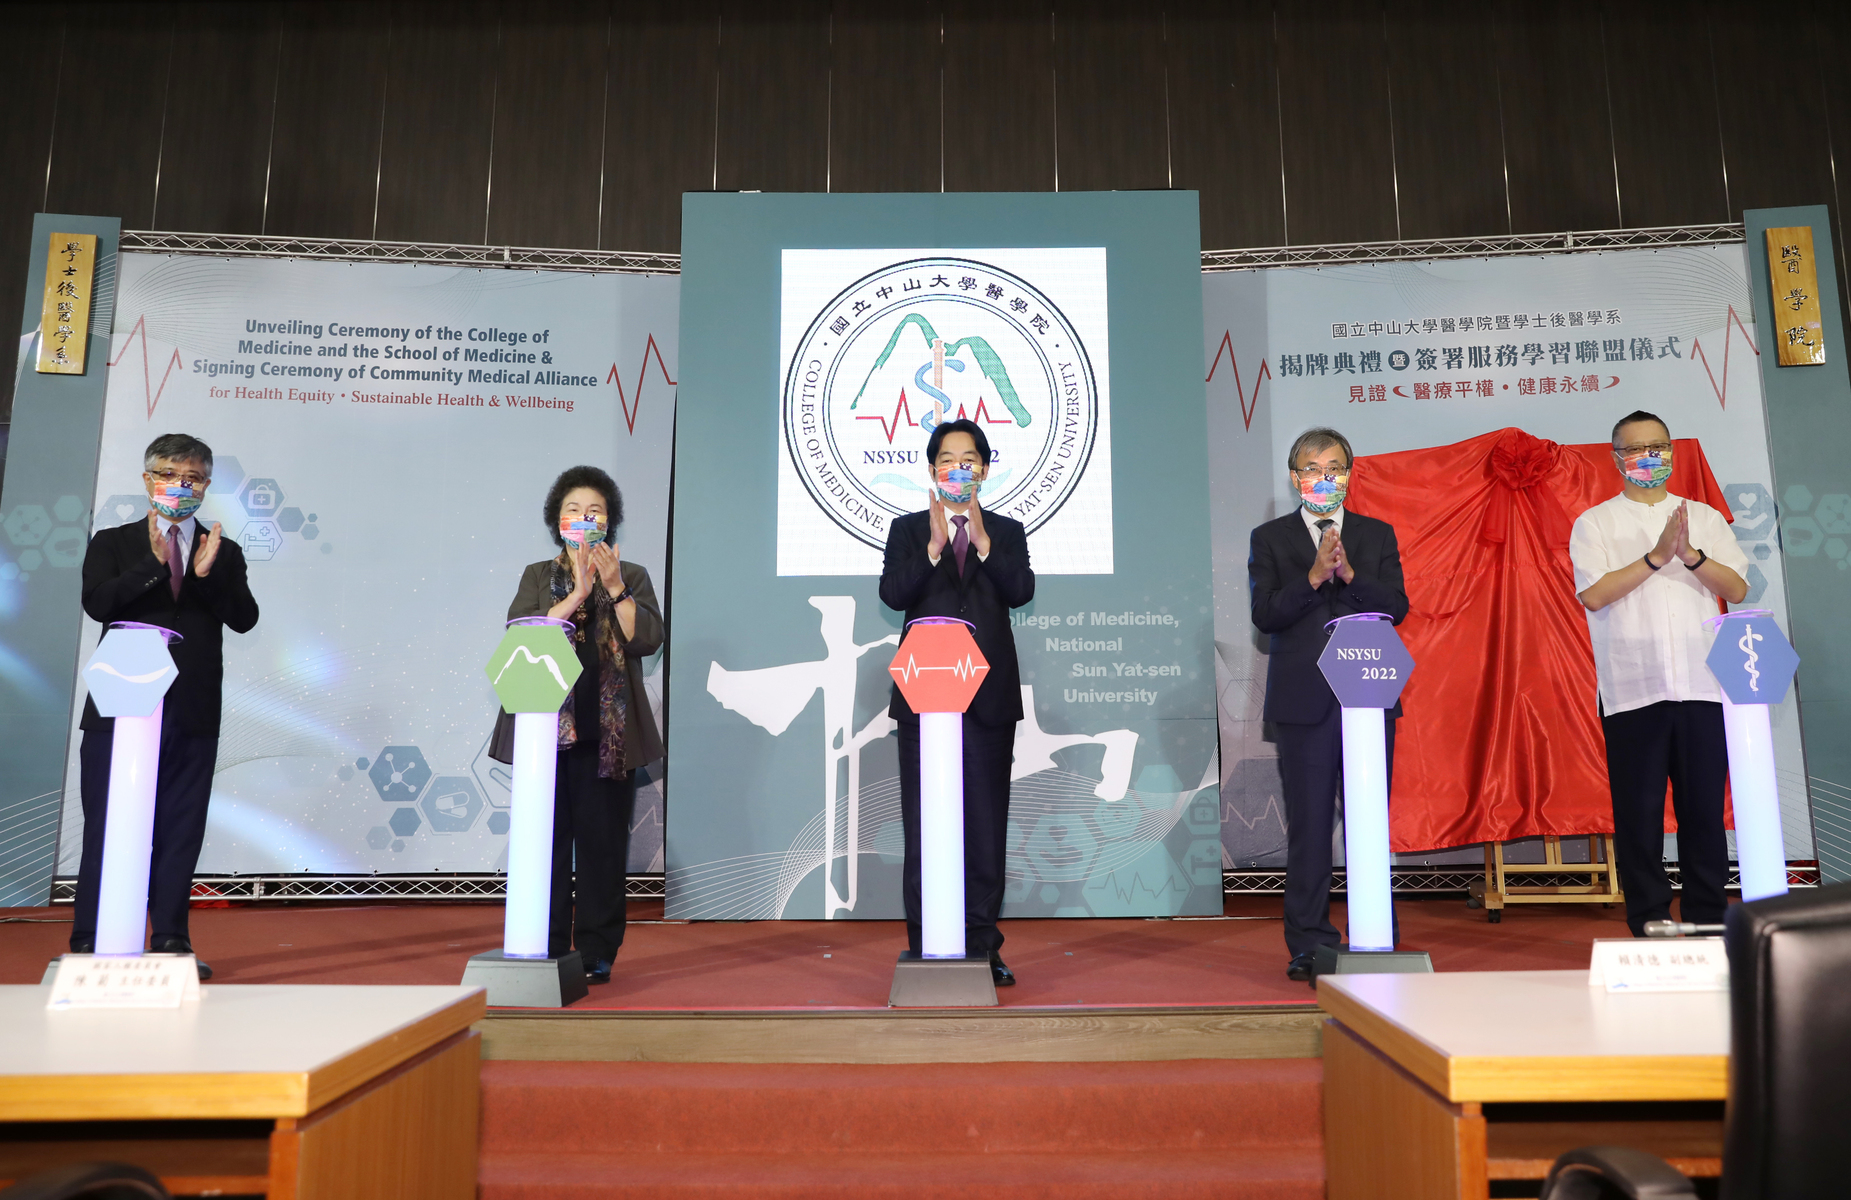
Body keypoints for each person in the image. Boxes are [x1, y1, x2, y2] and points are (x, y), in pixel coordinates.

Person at [71, 433, 259, 979]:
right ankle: (90, 935)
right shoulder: (113, 541)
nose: (183, 485)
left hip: (192, 710)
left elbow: (243, 618)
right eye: (172, 474)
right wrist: (153, 567)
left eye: (195, 477)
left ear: (206, 485)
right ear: (149, 478)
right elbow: (98, 603)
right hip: (121, 707)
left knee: (180, 826)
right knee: (108, 821)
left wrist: (207, 576)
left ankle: (172, 936)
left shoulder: (222, 550)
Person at [1570, 411, 1749, 937]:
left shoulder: (1705, 517)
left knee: (1702, 812)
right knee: (1639, 811)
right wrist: (1654, 557)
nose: (1649, 457)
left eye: (1659, 447)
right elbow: (1594, 594)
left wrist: (1690, 556)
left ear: (1672, 452)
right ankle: (1648, 916)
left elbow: (1736, 589)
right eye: (1636, 449)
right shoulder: (1596, 522)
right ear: (1616, 457)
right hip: (1632, 688)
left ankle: (1707, 916)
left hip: (1701, 684)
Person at [1248, 427, 1409, 983]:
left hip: (1367, 699)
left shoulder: (1375, 533)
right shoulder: (1270, 538)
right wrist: (1314, 577)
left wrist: (1351, 577)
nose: (1325, 477)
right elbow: (1265, 614)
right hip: (1305, 703)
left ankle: (1376, 933)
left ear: (1349, 473)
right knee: (1310, 826)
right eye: (1313, 468)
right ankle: (1310, 943)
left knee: (1368, 822)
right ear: (1295, 477)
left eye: (1335, 467)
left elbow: (1398, 607)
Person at [878, 418, 1035, 986]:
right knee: (926, 827)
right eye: (947, 460)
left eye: (970, 459)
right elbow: (893, 593)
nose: (958, 469)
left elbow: (1021, 590)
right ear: (932, 470)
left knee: (986, 828)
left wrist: (986, 546)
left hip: (989, 702)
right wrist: (935, 549)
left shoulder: (1008, 532)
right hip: (925, 701)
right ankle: (927, 943)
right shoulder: (908, 530)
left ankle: (982, 944)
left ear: (985, 470)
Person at [492, 466, 663, 983]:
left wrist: (611, 587)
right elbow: (522, 636)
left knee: (602, 846)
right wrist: (577, 593)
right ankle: (541, 944)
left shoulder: (629, 573)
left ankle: (595, 951)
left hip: (608, 735)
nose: (583, 519)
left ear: (609, 522)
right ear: (556, 520)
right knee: (545, 843)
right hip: (547, 732)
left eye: (595, 511)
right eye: (573, 510)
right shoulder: (537, 576)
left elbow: (647, 640)